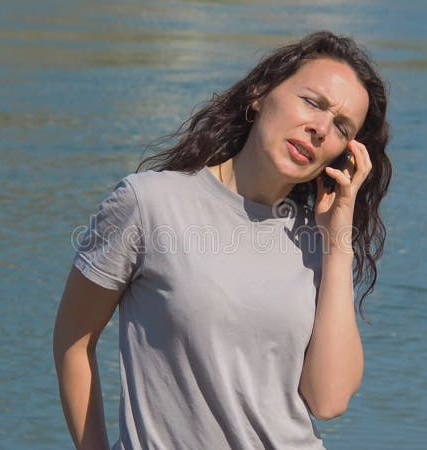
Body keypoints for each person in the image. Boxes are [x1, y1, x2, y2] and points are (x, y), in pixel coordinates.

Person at [52, 30, 392, 450]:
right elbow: (73, 338)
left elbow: (329, 399)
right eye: (312, 102)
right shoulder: (149, 203)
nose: (320, 129)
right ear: (259, 93)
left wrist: (338, 245)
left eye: (341, 126)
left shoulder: (318, 238)